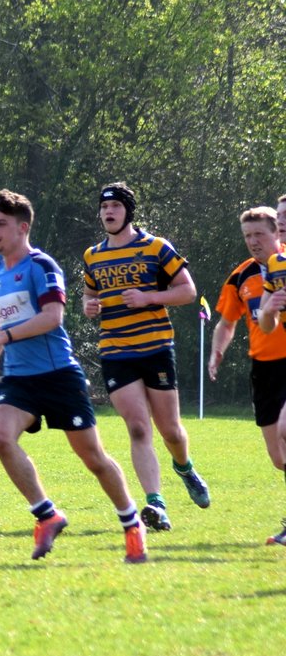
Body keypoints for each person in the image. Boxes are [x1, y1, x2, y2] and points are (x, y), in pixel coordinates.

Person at [0, 189, 146, 563]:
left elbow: (53, 317)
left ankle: (132, 523)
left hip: (58, 376)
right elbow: (3, 320)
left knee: (93, 458)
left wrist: (3, 337)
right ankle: (46, 514)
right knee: (1, 437)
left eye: (0, 224)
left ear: (22, 228)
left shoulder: (41, 266)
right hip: (19, 378)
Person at [81, 182, 209, 531]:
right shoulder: (93, 255)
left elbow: (188, 291)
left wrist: (149, 297)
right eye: (104, 208)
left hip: (155, 348)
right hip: (116, 351)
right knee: (138, 428)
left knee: (171, 431)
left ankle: (184, 467)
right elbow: (89, 295)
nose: (108, 212)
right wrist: (89, 306)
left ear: (128, 212)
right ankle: (156, 504)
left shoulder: (156, 247)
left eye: (115, 207)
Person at [243, 210, 286, 544]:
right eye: (280, 215)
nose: (253, 241)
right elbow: (267, 326)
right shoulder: (276, 266)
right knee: (279, 457)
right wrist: (270, 309)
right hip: (266, 367)